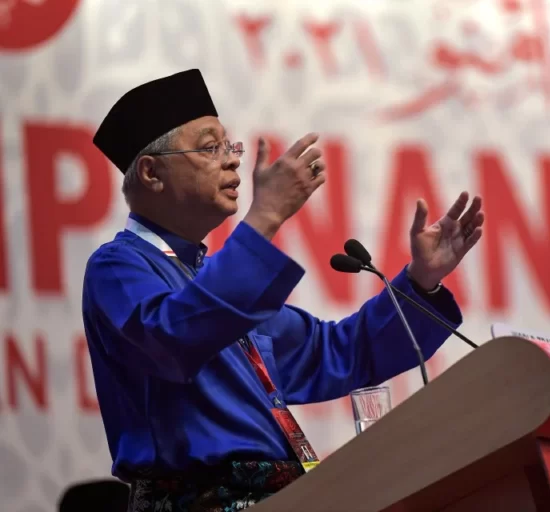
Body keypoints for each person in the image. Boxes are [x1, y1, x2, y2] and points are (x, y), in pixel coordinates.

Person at [82, 69, 484, 511]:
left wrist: (422, 280)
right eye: (211, 148)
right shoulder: (118, 267)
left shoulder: (212, 277)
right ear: (151, 172)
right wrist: (266, 216)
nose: (232, 161)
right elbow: (173, 337)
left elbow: (338, 352)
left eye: (230, 146)